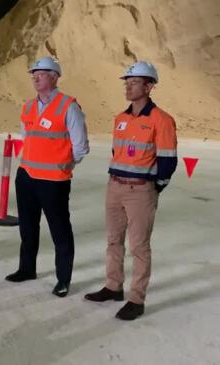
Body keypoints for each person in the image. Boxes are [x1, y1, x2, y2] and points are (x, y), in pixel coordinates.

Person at [85, 61, 177, 320]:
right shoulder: (121, 119)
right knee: (113, 241)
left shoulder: (162, 120)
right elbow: (118, 153)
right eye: (127, 81)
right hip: (114, 186)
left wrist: (152, 188)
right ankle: (114, 286)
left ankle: (136, 299)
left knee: (139, 246)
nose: (128, 85)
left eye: (134, 81)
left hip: (140, 191)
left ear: (149, 86)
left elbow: (168, 161)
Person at [5, 56, 89, 297]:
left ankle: (63, 279)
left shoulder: (68, 106)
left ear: (54, 77)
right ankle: (26, 269)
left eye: (41, 73)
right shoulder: (28, 107)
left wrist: (63, 165)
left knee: (60, 231)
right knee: (28, 228)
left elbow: (80, 146)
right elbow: (26, 138)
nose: (36, 77)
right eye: (34, 74)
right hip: (27, 177)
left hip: (54, 181)